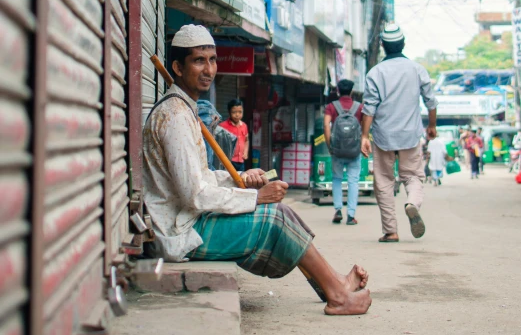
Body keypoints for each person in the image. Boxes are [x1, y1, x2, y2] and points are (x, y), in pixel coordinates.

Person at [143, 24, 372, 316]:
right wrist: (256, 198)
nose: (209, 69)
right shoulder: (175, 116)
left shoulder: (186, 109)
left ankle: (334, 284)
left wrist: (240, 181)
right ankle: (338, 295)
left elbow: (200, 178)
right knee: (274, 218)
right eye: (198, 60)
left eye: (212, 60)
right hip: (181, 233)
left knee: (284, 213)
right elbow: (195, 196)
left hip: (189, 219)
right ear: (177, 66)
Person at [361, 24, 438, 243]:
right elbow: (431, 102)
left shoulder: (375, 72)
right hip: (410, 135)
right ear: (403, 44)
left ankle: (391, 231)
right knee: (412, 176)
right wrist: (432, 126)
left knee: (384, 181)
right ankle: (412, 203)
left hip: (383, 136)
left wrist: (364, 136)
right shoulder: (417, 69)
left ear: (383, 46)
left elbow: (369, 108)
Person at [323, 79, 363, 225]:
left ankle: (338, 210)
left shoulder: (331, 107)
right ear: (352, 91)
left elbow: (326, 126)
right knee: (353, 181)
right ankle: (351, 215)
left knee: (337, 179)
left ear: (338, 91)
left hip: (338, 151)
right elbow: (364, 127)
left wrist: (330, 146)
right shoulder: (359, 107)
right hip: (354, 151)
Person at [219, 99, 249, 172]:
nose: (237, 115)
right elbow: (219, 143)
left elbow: (246, 140)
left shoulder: (244, 126)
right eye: (234, 112)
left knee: (240, 180)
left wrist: (245, 152)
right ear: (229, 112)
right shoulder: (222, 126)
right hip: (229, 161)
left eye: (240, 112)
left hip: (241, 161)